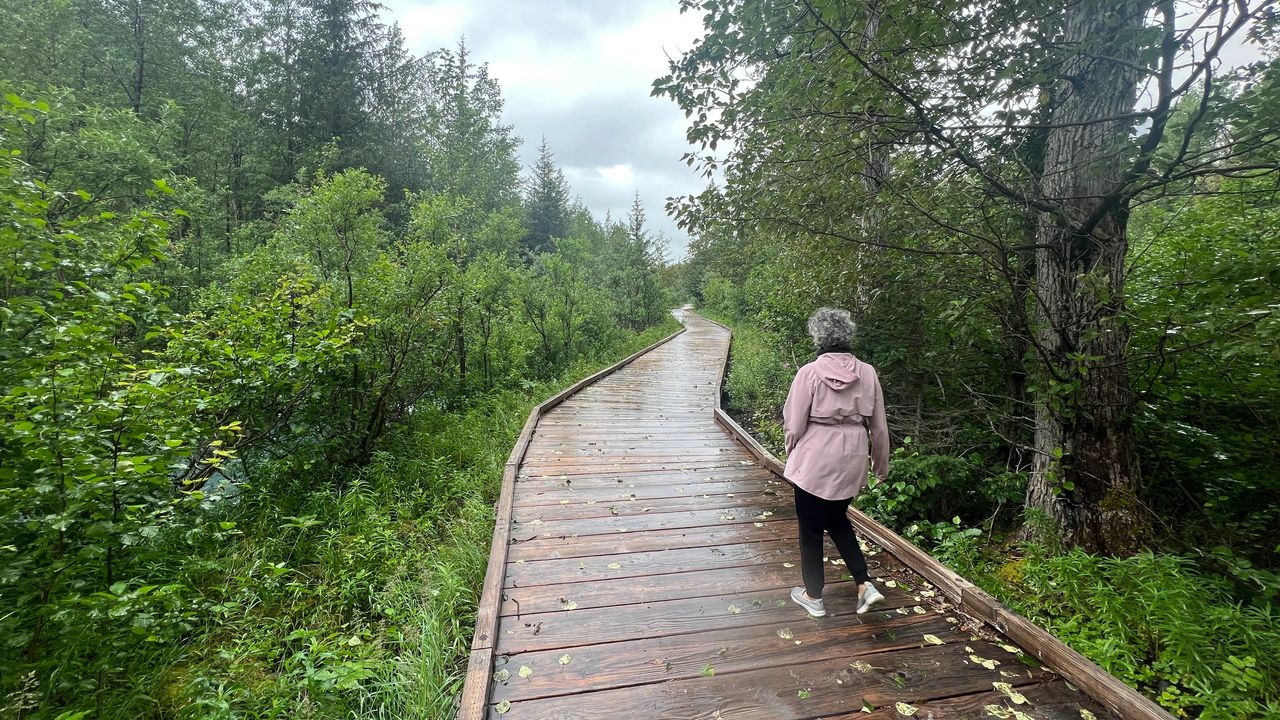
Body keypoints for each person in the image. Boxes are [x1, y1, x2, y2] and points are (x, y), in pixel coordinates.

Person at [783, 307, 890, 618]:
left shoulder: (809, 372)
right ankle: (864, 584)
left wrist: (792, 452)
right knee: (838, 518)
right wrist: (880, 465)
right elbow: (879, 427)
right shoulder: (867, 373)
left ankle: (813, 596)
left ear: (818, 337)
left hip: (815, 455)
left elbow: (794, 424)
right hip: (852, 454)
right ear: (848, 335)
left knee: (810, 527)